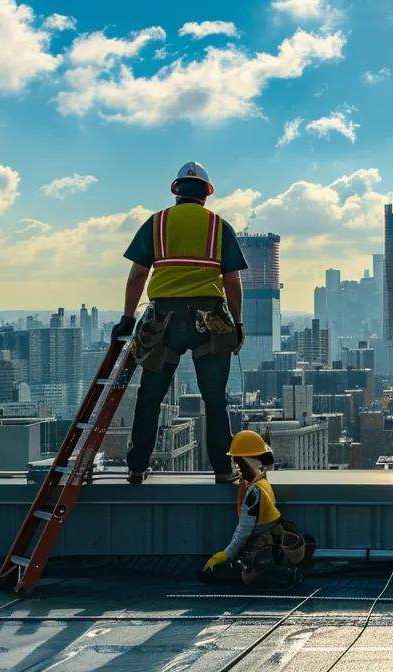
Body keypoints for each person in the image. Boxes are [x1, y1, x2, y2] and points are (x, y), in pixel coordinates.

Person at [112, 162, 247, 485]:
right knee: (214, 399)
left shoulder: (157, 223)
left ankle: (137, 467)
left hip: (163, 319)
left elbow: (137, 277)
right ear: (206, 193)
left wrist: (127, 318)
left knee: (150, 395)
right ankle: (223, 469)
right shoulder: (217, 226)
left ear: (176, 191)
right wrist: (237, 324)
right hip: (209, 319)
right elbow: (232, 281)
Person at [199, 430, 315, 587]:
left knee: (207, 576)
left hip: (261, 544)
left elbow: (244, 530)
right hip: (270, 538)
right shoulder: (261, 482)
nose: (236, 467)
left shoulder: (255, 491)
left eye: (238, 462)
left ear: (248, 461)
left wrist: (225, 554)